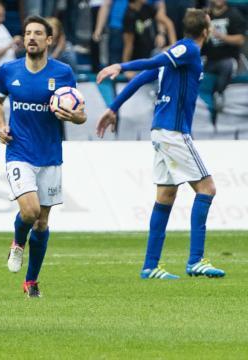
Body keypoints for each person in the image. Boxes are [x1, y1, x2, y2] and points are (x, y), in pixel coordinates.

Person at [95, 9, 225, 279]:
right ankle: (196, 260)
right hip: (173, 131)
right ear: (206, 31)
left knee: (166, 195)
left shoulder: (177, 53)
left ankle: (150, 266)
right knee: (207, 188)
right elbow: (149, 64)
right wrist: (121, 66)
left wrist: (113, 107)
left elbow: (145, 77)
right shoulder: (187, 50)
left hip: (160, 130)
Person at [0, 16, 86, 298]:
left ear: (49, 40)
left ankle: (31, 282)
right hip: (19, 152)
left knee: (42, 222)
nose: (31, 37)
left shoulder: (64, 73)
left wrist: (75, 116)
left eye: (38, 34)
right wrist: (0, 127)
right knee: (30, 212)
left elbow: (80, 114)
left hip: (50, 154)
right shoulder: (9, 70)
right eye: (27, 33)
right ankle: (18, 243)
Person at [202, 0, 246, 112]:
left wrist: (221, 36)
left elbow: (241, 39)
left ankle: (219, 94)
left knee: (227, 65)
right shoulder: (206, 15)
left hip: (228, 59)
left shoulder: (234, 14)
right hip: (209, 59)